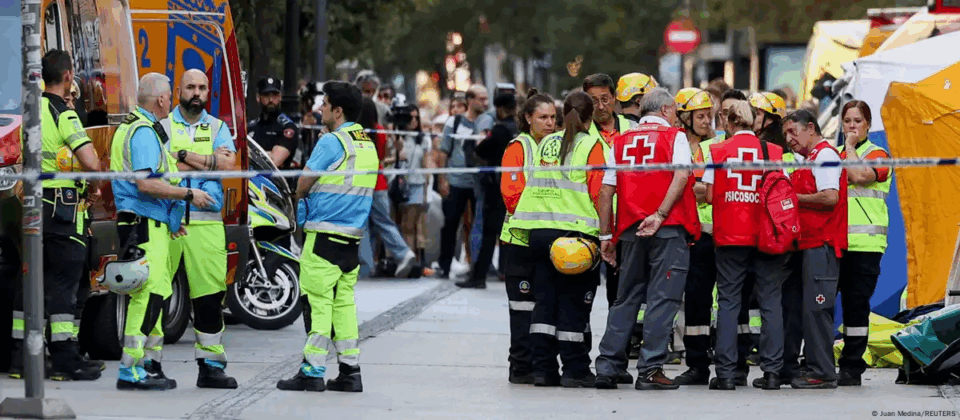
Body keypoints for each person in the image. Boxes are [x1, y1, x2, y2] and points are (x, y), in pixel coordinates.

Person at [110, 72, 216, 390]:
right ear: (160, 99)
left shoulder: (138, 127)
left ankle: (139, 366)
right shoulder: (143, 132)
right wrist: (188, 195)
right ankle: (130, 369)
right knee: (146, 296)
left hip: (150, 224)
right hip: (143, 225)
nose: (170, 101)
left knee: (154, 294)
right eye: (169, 96)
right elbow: (146, 183)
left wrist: (171, 220)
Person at [594, 87, 699, 390]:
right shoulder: (674, 137)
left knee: (625, 298)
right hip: (666, 229)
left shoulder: (622, 140)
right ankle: (650, 369)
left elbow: (606, 190)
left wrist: (606, 236)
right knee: (662, 299)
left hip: (630, 231)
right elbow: (681, 176)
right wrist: (661, 214)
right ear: (666, 109)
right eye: (675, 110)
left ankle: (608, 366)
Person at [9, 50, 104, 381]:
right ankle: (65, 359)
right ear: (67, 77)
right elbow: (91, 162)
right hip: (63, 211)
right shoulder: (66, 114)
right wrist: (93, 186)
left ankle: (22, 358)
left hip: (33, 209)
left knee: (30, 282)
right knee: (63, 285)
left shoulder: (29, 114)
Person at [278, 81, 377, 392]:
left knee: (317, 303)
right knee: (344, 305)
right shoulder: (367, 143)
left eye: (324, 104)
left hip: (323, 235)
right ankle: (350, 371)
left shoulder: (332, 142)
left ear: (338, 111)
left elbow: (303, 183)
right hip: (352, 238)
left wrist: (295, 195)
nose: (319, 109)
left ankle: (312, 370)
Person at [507, 91, 606, 388]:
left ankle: (543, 369)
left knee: (545, 304)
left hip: (537, 234)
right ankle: (575, 370)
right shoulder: (592, 145)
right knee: (573, 305)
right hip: (574, 238)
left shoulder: (548, 142)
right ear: (591, 117)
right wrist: (608, 234)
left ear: (563, 115)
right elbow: (600, 192)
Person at [702, 100, 792, 390]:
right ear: (754, 122)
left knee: (729, 302)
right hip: (766, 235)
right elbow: (781, 190)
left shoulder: (717, 151)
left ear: (728, 123)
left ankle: (726, 374)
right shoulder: (774, 152)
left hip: (730, 236)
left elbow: (709, 195)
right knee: (770, 302)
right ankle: (772, 373)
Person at [159, 69, 239, 389]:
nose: (196, 92)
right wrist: (206, 160)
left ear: (209, 93)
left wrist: (181, 156)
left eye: (202, 88)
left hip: (206, 224)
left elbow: (228, 164)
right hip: (167, 221)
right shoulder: (163, 124)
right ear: (179, 90)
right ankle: (148, 365)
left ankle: (211, 367)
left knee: (209, 298)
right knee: (155, 296)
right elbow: (159, 167)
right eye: (190, 87)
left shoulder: (218, 126)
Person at [781, 109, 848, 389]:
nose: (788, 139)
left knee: (817, 311)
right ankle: (810, 368)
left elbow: (830, 197)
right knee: (803, 310)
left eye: (792, 132)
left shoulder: (825, 156)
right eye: (785, 134)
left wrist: (791, 198)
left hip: (822, 244)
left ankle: (823, 372)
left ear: (811, 127)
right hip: (807, 245)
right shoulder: (808, 160)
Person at [499, 89, 556, 384]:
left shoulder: (558, 147)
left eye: (553, 117)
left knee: (544, 305)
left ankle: (539, 364)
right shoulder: (518, 147)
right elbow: (511, 194)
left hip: (547, 240)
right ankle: (520, 366)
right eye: (542, 117)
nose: (549, 123)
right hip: (520, 240)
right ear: (528, 118)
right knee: (522, 308)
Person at [675, 87, 728, 386]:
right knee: (696, 302)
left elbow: (702, 190)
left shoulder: (718, 148)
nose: (707, 121)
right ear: (685, 118)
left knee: (729, 301)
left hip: (720, 233)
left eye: (709, 115)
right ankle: (697, 365)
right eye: (700, 116)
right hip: (693, 236)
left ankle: (727, 363)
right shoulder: (677, 147)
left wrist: (696, 190)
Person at [835, 100, 891, 386]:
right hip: (836, 243)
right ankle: (818, 361)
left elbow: (858, 175)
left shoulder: (878, 154)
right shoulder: (835, 154)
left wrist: (852, 148)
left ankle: (852, 367)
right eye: (848, 121)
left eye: (858, 121)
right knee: (820, 304)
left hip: (866, 245)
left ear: (868, 124)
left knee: (856, 307)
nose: (852, 126)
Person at [463, 90, 519, 289]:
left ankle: (478, 277)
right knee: (513, 233)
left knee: (489, 233)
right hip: (519, 188)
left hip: (498, 188)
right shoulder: (520, 129)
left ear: (500, 109)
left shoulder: (501, 129)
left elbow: (482, 150)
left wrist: (479, 142)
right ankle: (509, 272)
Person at [358, 97, 417, 277]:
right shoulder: (380, 131)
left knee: (362, 225)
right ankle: (403, 253)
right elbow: (381, 158)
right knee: (384, 221)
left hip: (361, 183)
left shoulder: (357, 133)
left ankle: (367, 266)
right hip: (380, 182)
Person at [436, 84, 488, 280]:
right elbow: (443, 151)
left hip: (478, 184)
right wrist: (443, 179)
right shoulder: (454, 122)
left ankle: (477, 265)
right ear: (470, 100)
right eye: (481, 99)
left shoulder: (486, 123)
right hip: (456, 181)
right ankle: (444, 265)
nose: (485, 103)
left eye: (486, 99)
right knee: (450, 224)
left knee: (477, 226)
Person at [392, 101, 430, 267]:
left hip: (416, 184)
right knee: (397, 223)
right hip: (397, 184)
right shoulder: (394, 136)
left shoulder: (423, 139)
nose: (414, 121)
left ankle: (412, 263)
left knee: (411, 225)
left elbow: (427, 166)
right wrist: (396, 155)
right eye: (410, 117)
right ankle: (398, 261)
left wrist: (427, 189)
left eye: (416, 118)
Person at [248, 76, 299, 171]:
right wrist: (267, 154)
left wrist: (249, 154)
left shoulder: (287, 127)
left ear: (280, 97)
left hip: (276, 183)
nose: (271, 99)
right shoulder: (251, 126)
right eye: (266, 95)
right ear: (258, 97)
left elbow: (273, 162)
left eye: (275, 95)